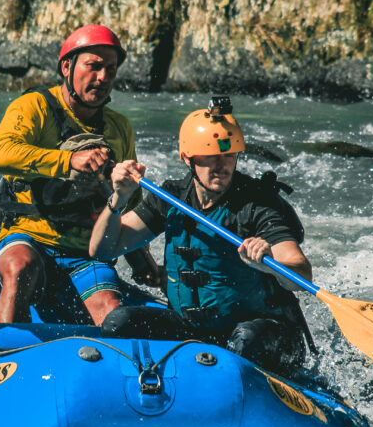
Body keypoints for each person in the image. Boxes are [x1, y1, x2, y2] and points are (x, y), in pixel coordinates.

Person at [89, 97, 314, 375]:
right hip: (194, 329)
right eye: (210, 156)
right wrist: (119, 198)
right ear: (187, 158)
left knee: (244, 342)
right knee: (118, 323)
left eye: (229, 154)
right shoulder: (170, 196)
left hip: (263, 333)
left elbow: (302, 275)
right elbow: (103, 249)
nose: (221, 165)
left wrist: (267, 261)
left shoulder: (257, 204)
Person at [0, 24, 142, 324]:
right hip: (28, 236)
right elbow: (1, 154)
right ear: (67, 66)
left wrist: (140, 258)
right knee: (20, 269)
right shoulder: (34, 106)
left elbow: (129, 203)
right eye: (93, 66)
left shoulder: (119, 126)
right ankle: (2, 358)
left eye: (110, 70)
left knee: (112, 310)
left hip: (86, 251)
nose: (103, 78)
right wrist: (69, 161)